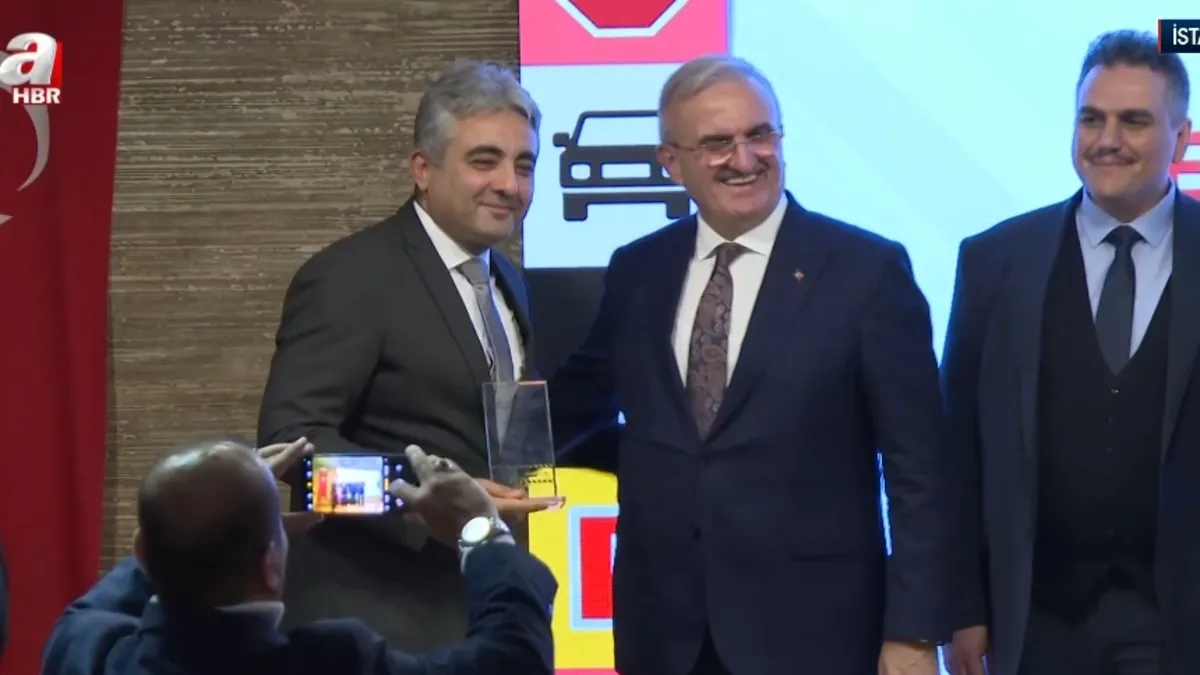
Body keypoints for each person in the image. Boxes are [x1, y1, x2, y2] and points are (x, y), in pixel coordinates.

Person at [550, 55, 955, 675]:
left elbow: (919, 470)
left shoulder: (866, 272)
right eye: (717, 143)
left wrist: (915, 633)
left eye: (760, 134)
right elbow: (576, 406)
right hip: (663, 635)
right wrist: (475, 458)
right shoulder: (638, 271)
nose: (744, 159)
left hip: (817, 636)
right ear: (671, 162)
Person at [257, 61, 557, 650]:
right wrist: (422, 496)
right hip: (373, 622)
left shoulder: (510, 283)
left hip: (483, 613)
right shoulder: (351, 276)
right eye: (484, 161)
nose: (510, 184)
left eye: (524, 165)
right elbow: (293, 453)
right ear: (423, 169)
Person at [943, 30, 1200, 675]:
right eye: (1091, 118)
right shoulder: (994, 261)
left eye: (1134, 121)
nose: (1107, 139)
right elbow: (954, 454)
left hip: (1179, 624)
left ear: (1181, 139)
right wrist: (960, 607)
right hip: (1033, 621)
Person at [41, 438, 556, 675]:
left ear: (143, 553)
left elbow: (83, 615)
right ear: (271, 566)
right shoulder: (335, 660)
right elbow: (514, 659)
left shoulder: (87, 652)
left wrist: (209, 520)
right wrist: (480, 530)